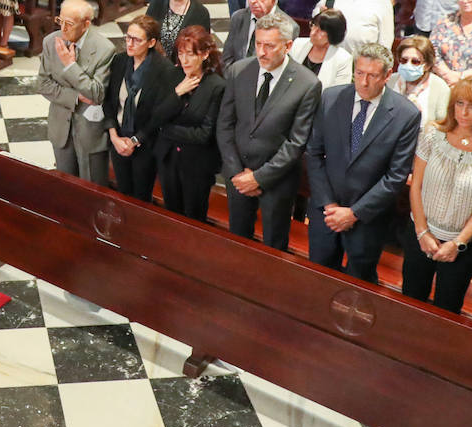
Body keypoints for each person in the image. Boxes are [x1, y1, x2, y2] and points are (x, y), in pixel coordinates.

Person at [306, 43, 420, 283]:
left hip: (367, 219)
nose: (364, 82)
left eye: (372, 75)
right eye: (359, 73)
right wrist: (329, 204)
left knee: (358, 287)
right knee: (317, 280)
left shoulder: (405, 114)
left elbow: (395, 177)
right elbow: (314, 153)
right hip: (326, 211)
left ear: (387, 75)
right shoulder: (331, 97)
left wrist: (354, 213)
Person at [406, 76, 472, 312]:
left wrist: (458, 243)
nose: (464, 112)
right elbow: (416, 185)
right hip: (421, 233)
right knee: (410, 302)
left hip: (462, 245)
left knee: (448, 309)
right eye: (459, 103)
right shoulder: (432, 133)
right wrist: (422, 231)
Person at [217, 13, 322, 250]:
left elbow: (296, 142)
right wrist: (236, 173)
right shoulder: (239, 71)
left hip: (277, 181)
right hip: (238, 175)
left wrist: (258, 177)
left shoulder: (307, 84)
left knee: (274, 245)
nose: (262, 52)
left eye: (270, 46)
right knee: (237, 241)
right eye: (258, 44)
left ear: (288, 46)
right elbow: (224, 124)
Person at [39, 0, 114, 186]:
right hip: (60, 126)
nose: (63, 28)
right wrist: (75, 97)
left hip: (90, 132)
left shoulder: (105, 49)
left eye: (69, 24)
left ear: (86, 24)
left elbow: (97, 94)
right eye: (60, 21)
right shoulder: (50, 42)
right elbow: (43, 84)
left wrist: (70, 66)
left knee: (92, 189)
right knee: (65, 188)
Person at [103, 15, 179, 201]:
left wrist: (135, 140)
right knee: (123, 192)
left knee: (140, 197)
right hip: (119, 139)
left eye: (136, 40)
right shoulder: (120, 61)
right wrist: (114, 136)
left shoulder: (164, 70)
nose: (130, 43)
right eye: (128, 37)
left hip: (145, 143)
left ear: (151, 42)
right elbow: (110, 102)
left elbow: (160, 115)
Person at [157, 25, 226, 222]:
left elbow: (204, 134)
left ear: (204, 55)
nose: (184, 60)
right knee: (171, 216)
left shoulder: (217, 86)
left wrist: (167, 129)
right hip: (169, 159)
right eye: (180, 53)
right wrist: (177, 93)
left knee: (194, 219)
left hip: (197, 165)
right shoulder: (173, 77)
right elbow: (156, 116)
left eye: (190, 54)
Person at [222, 0, 292, 71]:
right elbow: (227, 59)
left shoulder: (288, 26)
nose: (252, 0)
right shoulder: (238, 17)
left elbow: (280, 68)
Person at [388, 36, 450, 128]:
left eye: (415, 61)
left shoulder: (440, 88)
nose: (408, 65)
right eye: (404, 60)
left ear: (427, 65)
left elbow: (442, 125)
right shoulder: (390, 81)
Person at [290, 9, 354, 89]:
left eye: (320, 30)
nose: (313, 33)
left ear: (333, 33)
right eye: (313, 25)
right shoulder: (298, 44)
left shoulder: (343, 59)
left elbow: (337, 93)